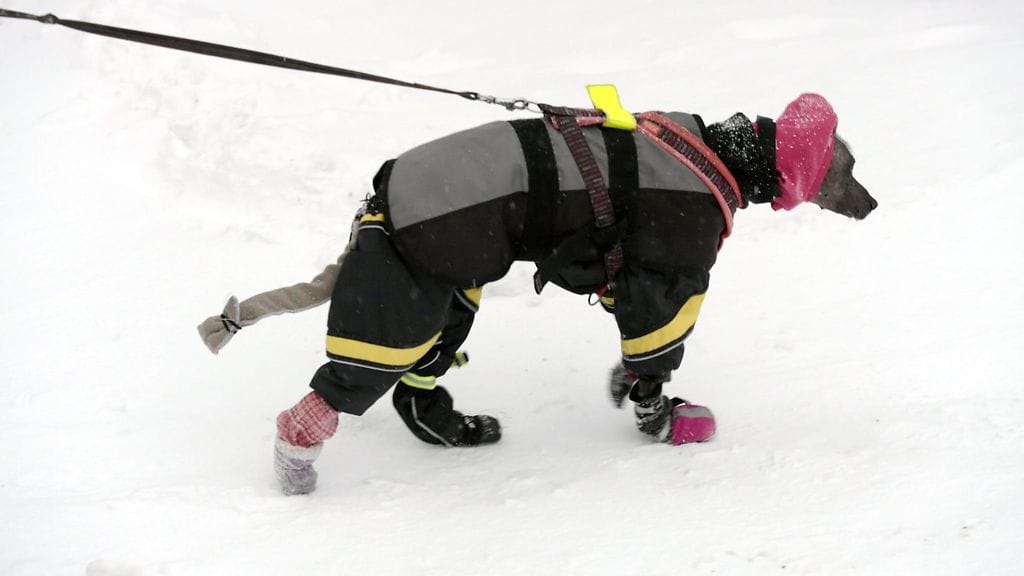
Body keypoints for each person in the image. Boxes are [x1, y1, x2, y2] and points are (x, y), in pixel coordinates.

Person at [198, 93, 874, 495]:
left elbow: (617, 247)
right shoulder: (690, 201)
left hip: (437, 191)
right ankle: (298, 444)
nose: (853, 199)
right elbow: (656, 312)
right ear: (793, 183)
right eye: (836, 185)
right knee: (393, 324)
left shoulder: (681, 134)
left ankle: (421, 394)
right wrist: (652, 399)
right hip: (441, 209)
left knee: (450, 280)